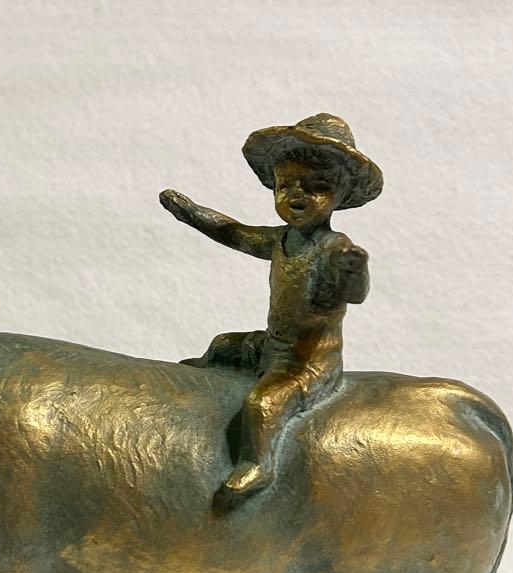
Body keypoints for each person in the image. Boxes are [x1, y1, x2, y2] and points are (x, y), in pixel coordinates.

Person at [160, 113, 382, 504]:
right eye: (285, 185)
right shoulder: (281, 239)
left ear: (341, 194)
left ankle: (258, 465)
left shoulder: (335, 248)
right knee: (223, 344)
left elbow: (355, 293)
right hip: (271, 347)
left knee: (263, 404)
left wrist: (353, 270)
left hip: (307, 363)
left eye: (318, 187)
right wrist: (192, 213)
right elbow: (234, 233)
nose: (297, 195)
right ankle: (200, 386)